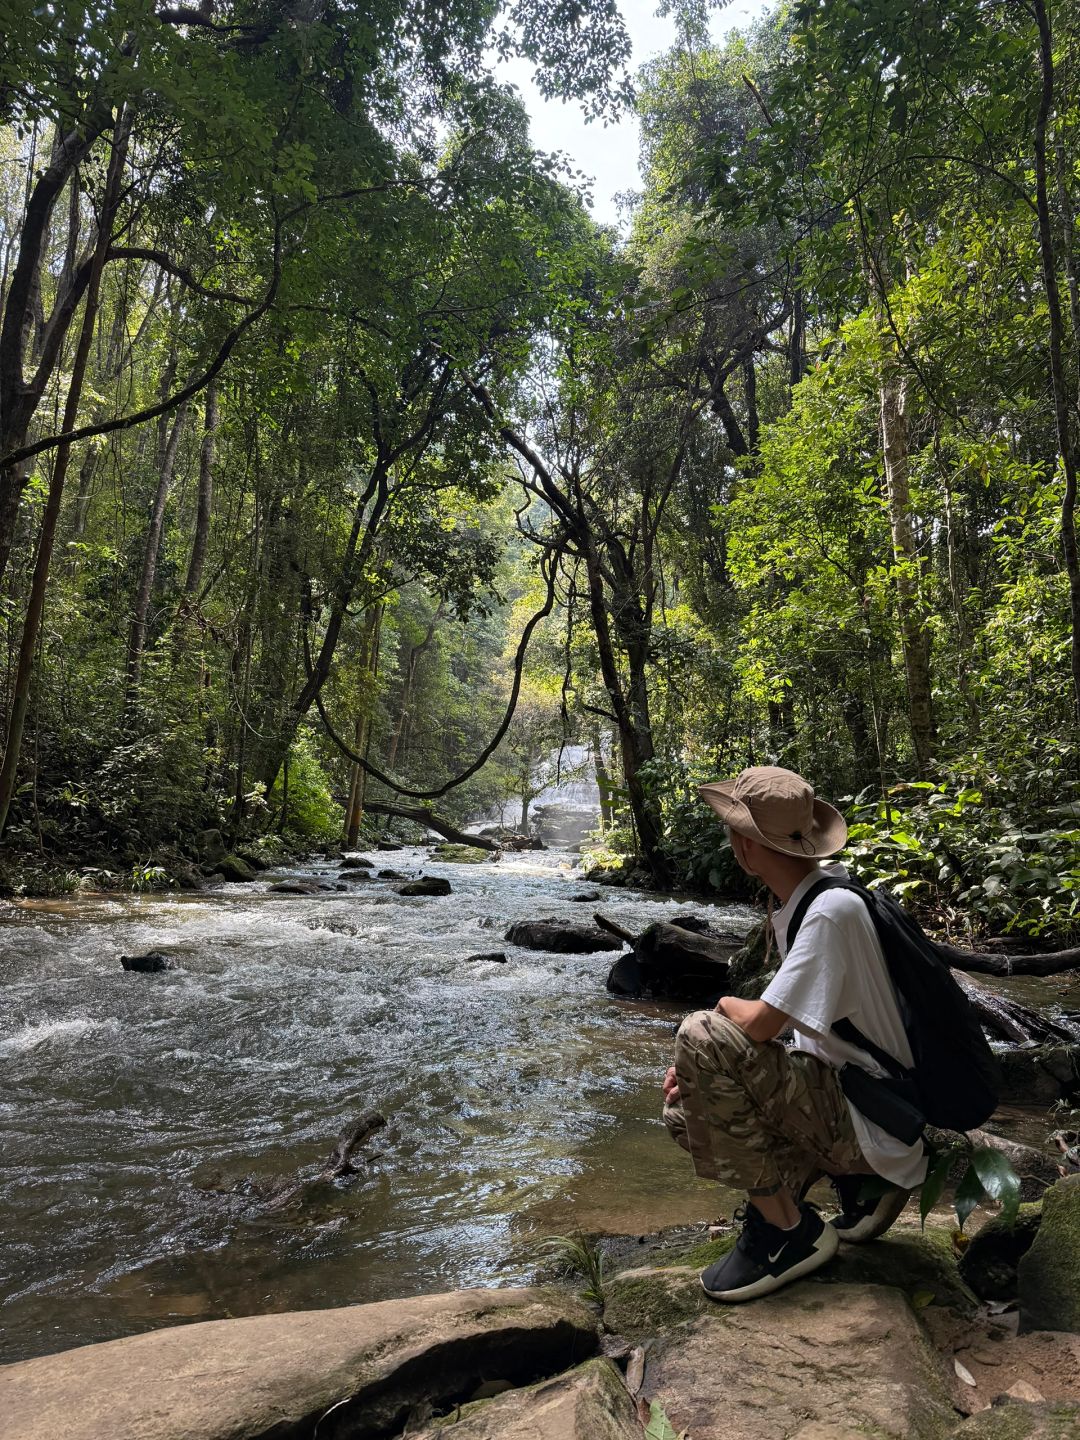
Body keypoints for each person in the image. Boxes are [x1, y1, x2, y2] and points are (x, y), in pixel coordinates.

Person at [662, 765, 928, 1303]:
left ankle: (790, 1232)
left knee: (701, 1033)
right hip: (857, 1097)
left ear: (745, 847)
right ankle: (855, 1188)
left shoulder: (829, 912)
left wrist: (718, 1009)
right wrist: (702, 1080)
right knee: (684, 1107)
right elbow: (808, 1034)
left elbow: (760, 1022)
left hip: (874, 1114)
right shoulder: (823, 895)